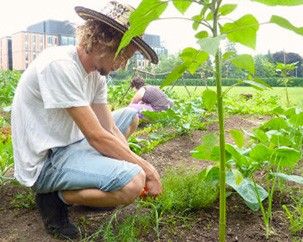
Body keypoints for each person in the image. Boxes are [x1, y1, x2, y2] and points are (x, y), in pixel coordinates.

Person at [11, 1, 162, 240]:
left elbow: (109, 127)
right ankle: (54, 198)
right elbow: (97, 137)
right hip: (45, 161)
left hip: (70, 144)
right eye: (126, 54)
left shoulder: (95, 75)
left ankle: (96, 182)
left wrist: (129, 163)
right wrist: (146, 170)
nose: (125, 63)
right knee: (132, 183)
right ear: (106, 41)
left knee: (129, 117)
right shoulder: (60, 65)